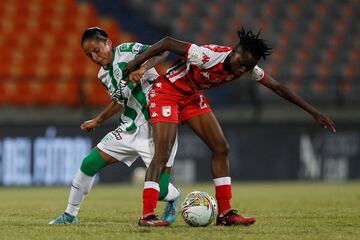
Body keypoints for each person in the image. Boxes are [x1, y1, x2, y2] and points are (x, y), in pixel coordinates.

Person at [124, 27, 336, 226]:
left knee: (221, 147)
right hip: (167, 92)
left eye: (248, 67)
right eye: (241, 63)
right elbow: (168, 42)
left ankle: (225, 213)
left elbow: (279, 88)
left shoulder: (247, 68)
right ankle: (147, 215)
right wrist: (140, 61)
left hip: (191, 96)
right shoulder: (205, 56)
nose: (242, 69)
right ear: (234, 52)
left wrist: (314, 112)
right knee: (162, 153)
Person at [49, 27, 180, 226]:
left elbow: (163, 51)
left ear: (108, 43)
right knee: (88, 164)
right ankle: (69, 215)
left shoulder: (128, 50)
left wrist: (142, 68)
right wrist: (98, 120)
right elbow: (120, 101)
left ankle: (174, 196)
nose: (93, 56)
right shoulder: (102, 75)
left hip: (158, 125)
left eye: (96, 50)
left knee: (161, 191)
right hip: (128, 127)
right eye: (88, 54)